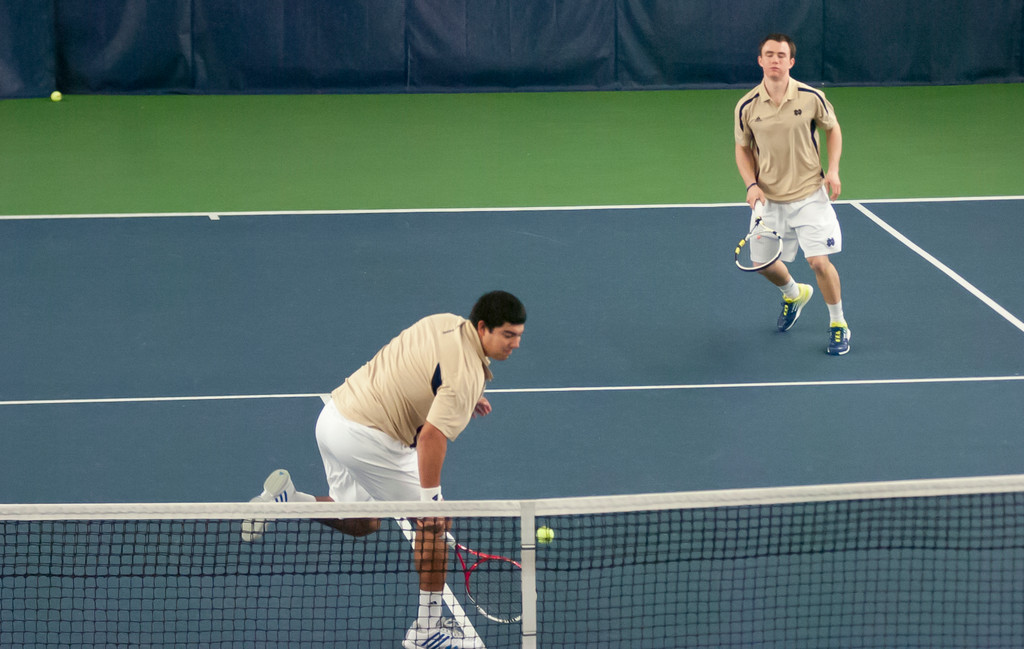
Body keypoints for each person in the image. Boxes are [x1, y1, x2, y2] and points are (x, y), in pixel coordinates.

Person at [244, 290, 526, 649]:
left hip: (335, 417)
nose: (515, 344)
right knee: (434, 528)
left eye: (518, 335)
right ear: (483, 328)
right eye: (507, 335)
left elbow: (424, 370)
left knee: (364, 523)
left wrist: (461, 395)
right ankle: (426, 631)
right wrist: (431, 502)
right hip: (370, 438)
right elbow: (431, 438)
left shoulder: (445, 322)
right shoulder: (467, 375)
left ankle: (288, 500)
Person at [734, 33, 851, 355]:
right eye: (769, 54)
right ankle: (794, 293)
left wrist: (835, 169)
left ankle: (838, 323)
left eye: (781, 55)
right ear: (760, 60)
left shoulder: (811, 96)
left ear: (791, 61)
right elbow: (742, 148)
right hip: (768, 199)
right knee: (762, 264)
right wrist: (751, 185)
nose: (775, 60)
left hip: (809, 194)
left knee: (818, 262)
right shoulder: (746, 105)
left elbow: (833, 128)